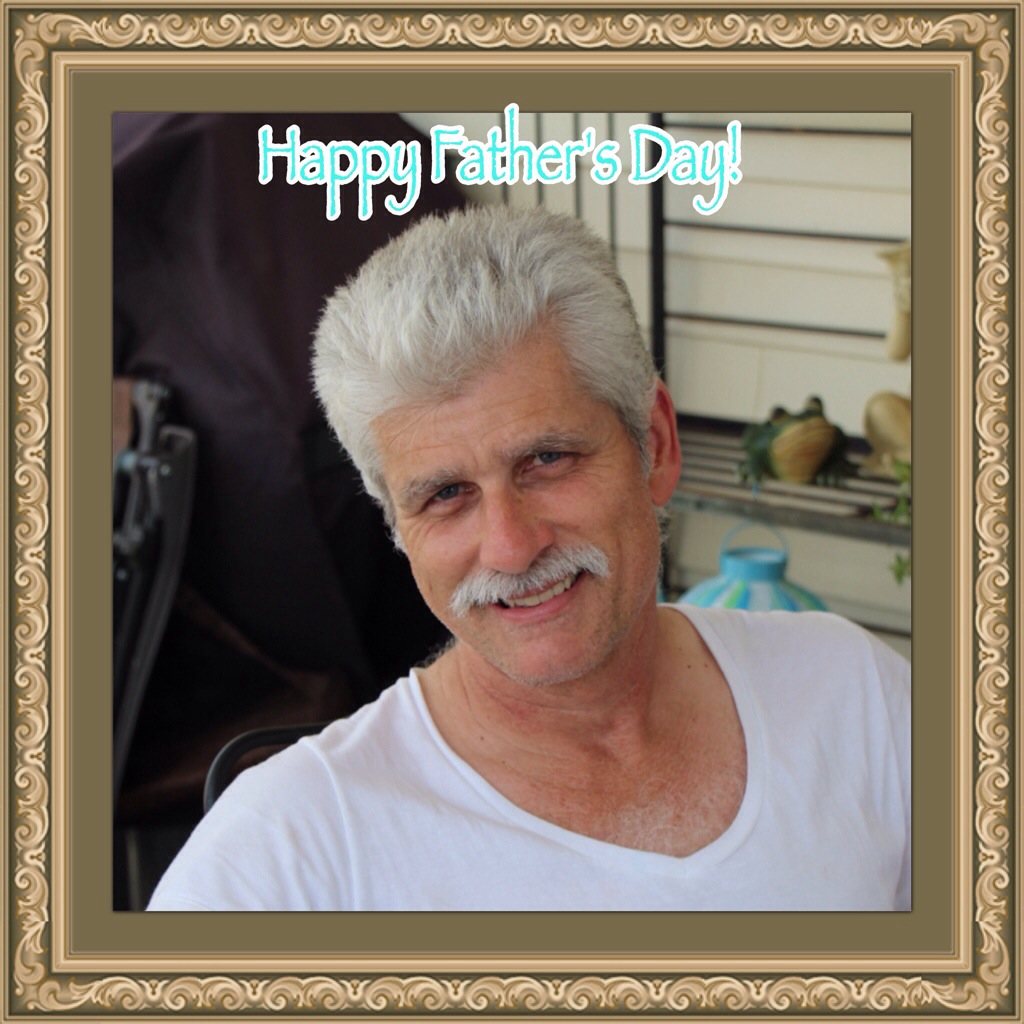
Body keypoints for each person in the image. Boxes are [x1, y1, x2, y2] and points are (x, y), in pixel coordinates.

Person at [148, 205, 910, 912]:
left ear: (657, 444)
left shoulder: (857, 699)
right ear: (396, 527)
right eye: (445, 494)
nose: (511, 547)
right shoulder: (285, 855)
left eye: (547, 459)